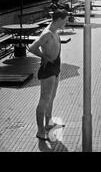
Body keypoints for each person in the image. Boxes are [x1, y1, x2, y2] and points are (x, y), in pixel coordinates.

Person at [28, 9, 69, 141]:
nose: (67, 22)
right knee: (44, 100)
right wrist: (44, 56)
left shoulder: (55, 31)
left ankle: (48, 124)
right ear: (59, 20)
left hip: (55, 67)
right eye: (65, 20)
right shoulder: (47, 34)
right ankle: (40, 131)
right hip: (48, 69)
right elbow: (32, 47)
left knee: (51, 98)